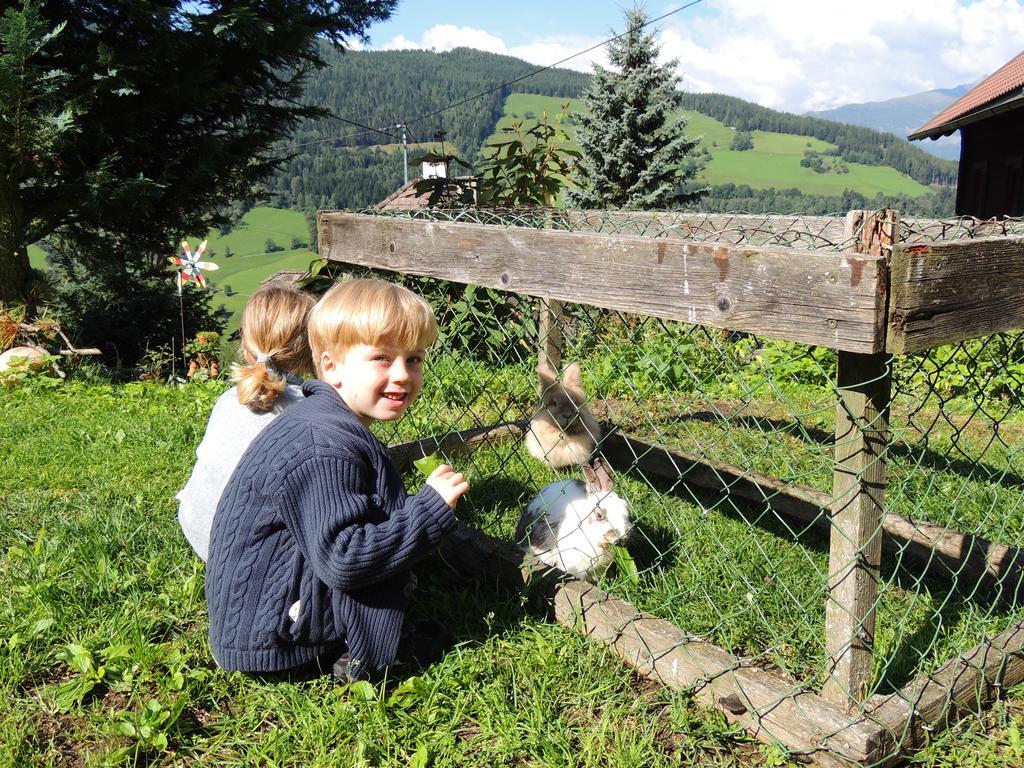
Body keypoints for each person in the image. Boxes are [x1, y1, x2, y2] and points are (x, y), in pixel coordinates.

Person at [205, 278, 469, 681]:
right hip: (273, 640)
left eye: (414, 359)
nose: (402, 374)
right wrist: (427, 512)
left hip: (258, 620)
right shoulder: (323, 445)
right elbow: (344, 559)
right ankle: (364, 657)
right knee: (383, 574)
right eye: (382, 357)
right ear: (331, 366)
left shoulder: (324, 420)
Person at [177, 284, 315, 562]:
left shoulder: (230, 399)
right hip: (245, 558)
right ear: (312, 348)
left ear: (245, 345)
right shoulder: (309, 413)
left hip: (197, 526)